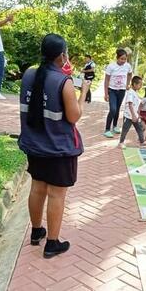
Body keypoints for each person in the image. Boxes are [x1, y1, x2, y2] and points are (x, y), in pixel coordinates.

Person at [18, 34, 90, 258]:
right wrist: (84, 92)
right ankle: (52, 243)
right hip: (58, 148)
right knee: (56, 194)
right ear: (62, 56)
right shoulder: (63, 82)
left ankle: (36, 231)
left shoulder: (29, 74)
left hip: (35, 145)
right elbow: (74, 116)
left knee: (38, 187)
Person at [103, 49, 133, 138]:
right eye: (121, 59)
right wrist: (106, 93)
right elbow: (107, 79)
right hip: (112, 90)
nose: (123, 61)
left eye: (125, 59)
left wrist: (128, 84)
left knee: (118, 108)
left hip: (122, 90)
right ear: (117, 58)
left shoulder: (127, 66)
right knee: (113, 109)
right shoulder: (111, 66)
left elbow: (130, 74)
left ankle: (115, 126)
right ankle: (107, 129)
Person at [119, 76, 146, 149]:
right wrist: (133, 115)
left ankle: (142, 141)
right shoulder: (130, 93)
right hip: (129, 116)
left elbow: (136, 105)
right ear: (134, 84)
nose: (141, 86)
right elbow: (130, 104)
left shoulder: (135, 92)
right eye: (140, 84)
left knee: (139, 128)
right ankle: (121, 142)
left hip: (135, 116)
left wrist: (137, 114)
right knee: (125, 130)